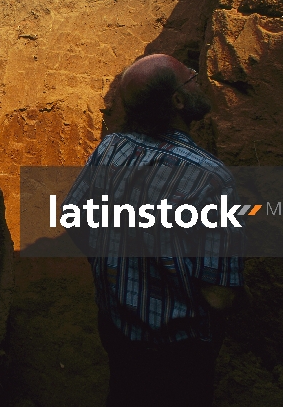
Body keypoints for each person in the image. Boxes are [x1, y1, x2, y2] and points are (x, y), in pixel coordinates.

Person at [63, 54, 245, 406]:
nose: (195, 75)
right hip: (177, 352)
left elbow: (75, 217)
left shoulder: (110, 149)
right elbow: (219, 296)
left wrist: (110, 268)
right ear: (177, 101)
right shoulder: (211, 178)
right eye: (188, 75)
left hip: (116, 329)